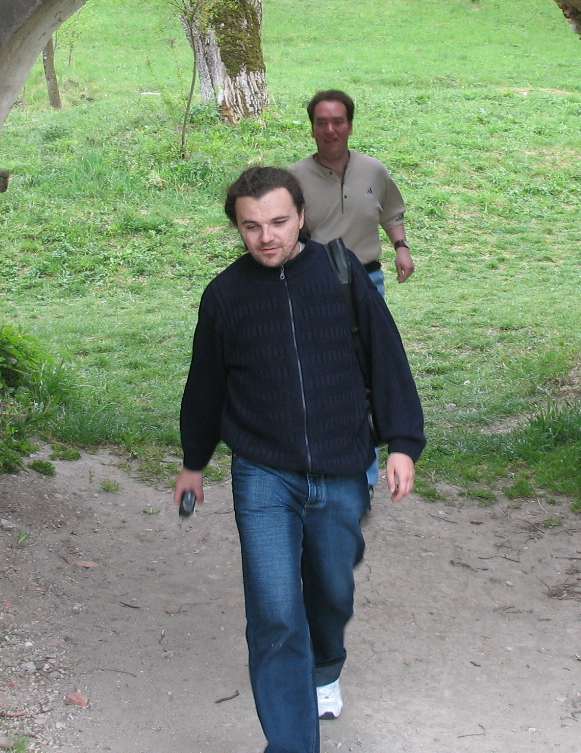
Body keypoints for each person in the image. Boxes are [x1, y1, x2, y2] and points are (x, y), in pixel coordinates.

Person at [174, 166, 426, 753]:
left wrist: (402, 443)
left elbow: (386, 355)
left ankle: (325, 662)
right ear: (238, 228)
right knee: (275, 613)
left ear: (302, 218)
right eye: (252, 226)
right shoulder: (225, 296)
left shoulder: (340, 272)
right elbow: (205, 386)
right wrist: (194, 461)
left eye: (279, 222)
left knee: (331, 590)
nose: (267, 237)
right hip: (263, 473)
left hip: (341, 467)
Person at [290, 89, 413, 299]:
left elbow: (391, 214)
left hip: (368, 278)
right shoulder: (294, 178)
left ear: (350, 127)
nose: (330, 130)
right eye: (321, 123)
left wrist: (402, 248)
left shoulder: (373, 170)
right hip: (316, 280)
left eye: (338, 122)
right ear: (313, 130)